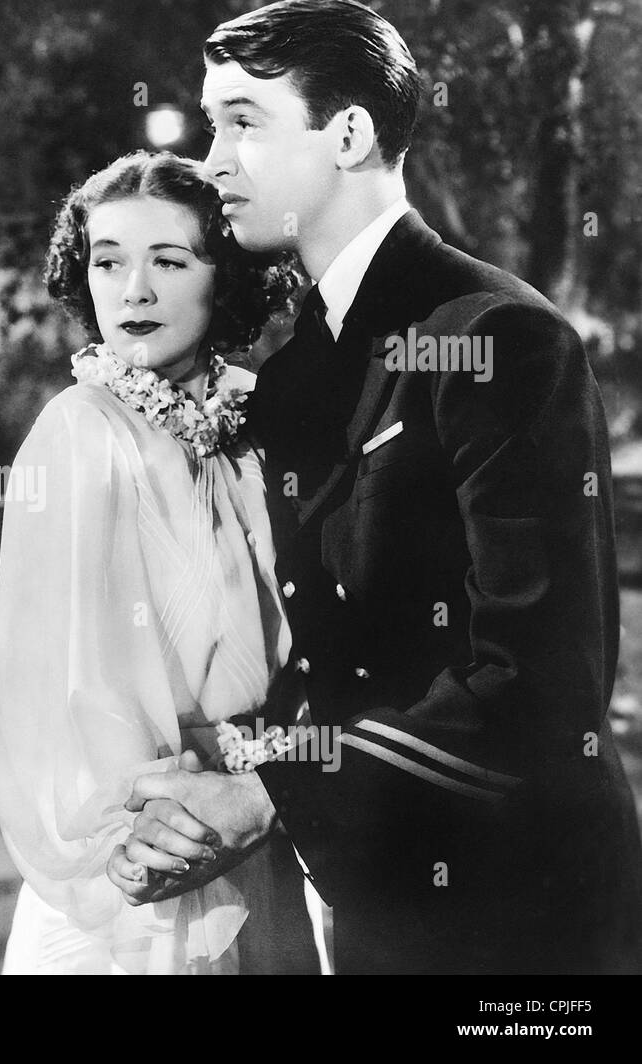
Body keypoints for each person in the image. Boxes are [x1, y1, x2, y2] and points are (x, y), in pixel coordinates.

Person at [107, 0, 642, 974]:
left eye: (242, 122)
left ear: (347, 132)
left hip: (520, 910)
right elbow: (332, 660)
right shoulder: (296, 371)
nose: (213, 161)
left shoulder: (495, 337)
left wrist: (269, 794)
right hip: (375, 898)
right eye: (208, 124)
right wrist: (194, 795)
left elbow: (541, 680)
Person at [0, 150, 319, 974]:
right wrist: (139, 834)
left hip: (263, 831)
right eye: (108, 262)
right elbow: (63, 685)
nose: (132, 291)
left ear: (224, 279)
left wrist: (269, 787)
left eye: (168, 262)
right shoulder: (78, 431)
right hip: (146, 860)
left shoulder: (265, 421)